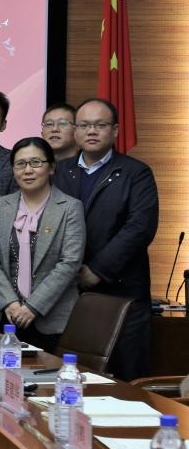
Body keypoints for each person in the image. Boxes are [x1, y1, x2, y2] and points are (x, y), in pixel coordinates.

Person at [53, 98, 159, 380]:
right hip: (68, 290)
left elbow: (139, 228)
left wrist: (98, 270)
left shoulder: (136, 173)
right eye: (85, 125)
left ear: (115, 131)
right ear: (75, 130)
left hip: (121, 290)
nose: (91, 131)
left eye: (100, 125)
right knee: (72, 379)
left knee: (124, 380)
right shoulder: (60, 171)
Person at [0, 138, 86, 353]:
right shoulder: (1, 206)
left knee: (48, 374)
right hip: (3, 314)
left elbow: (70, 262)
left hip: (52, 319)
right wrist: (9, 302)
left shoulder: (70, 208)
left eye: (36, 162)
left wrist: (33, 306)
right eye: (20, 164)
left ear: (51, 167)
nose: (27, 170)